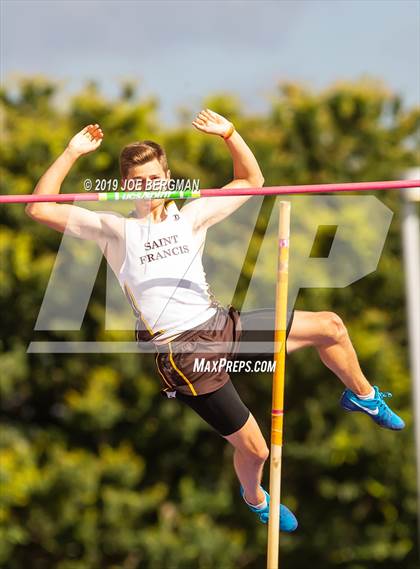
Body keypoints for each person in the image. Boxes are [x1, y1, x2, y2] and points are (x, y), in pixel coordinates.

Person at [26, 110, 405, 534]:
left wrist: (230, 134)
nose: (148, 188)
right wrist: (72, 152)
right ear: (123, 188)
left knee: (330, 327)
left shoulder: (192, 216)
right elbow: (39, 207)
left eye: (155, 179)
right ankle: (256, 498)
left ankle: (363, 396)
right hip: (183, 353)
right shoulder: (114, 230)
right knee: (257, 452)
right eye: (137, 183)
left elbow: (251, 181)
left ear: (168, 178)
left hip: (221, 324)